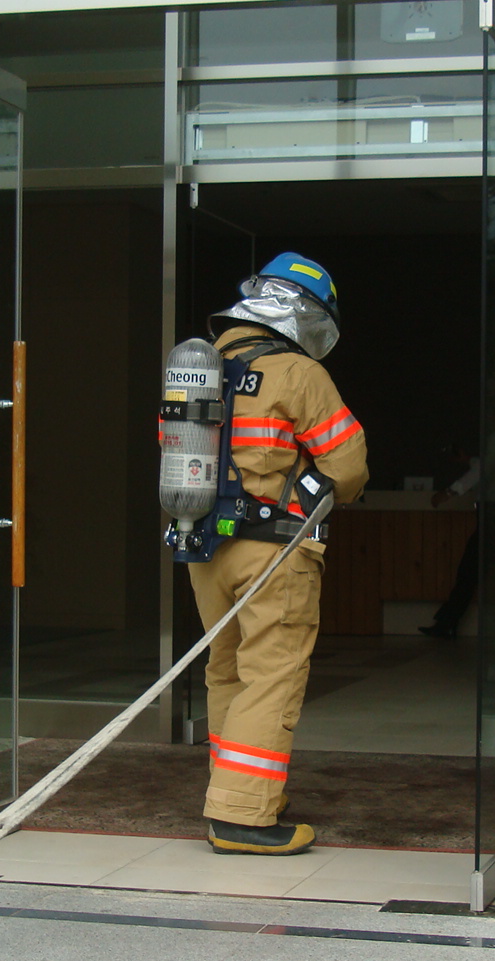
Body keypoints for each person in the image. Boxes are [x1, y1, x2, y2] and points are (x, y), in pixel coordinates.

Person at [189, 253, 369, 856]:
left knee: (227, 671)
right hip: (274, 550)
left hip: (206, 548)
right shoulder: (296, 373)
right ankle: (241, 815)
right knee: (272, 674)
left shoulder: (200, 365)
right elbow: (348, 466)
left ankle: (235, 791)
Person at [419, 447, 480, 640]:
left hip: (492, 521)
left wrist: (448, 493)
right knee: (468, 574)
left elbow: (477, 472)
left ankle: (446, 624)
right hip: (493, 520)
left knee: (467, 574)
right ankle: (446, 623)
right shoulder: (493, 458)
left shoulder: (490, 454)